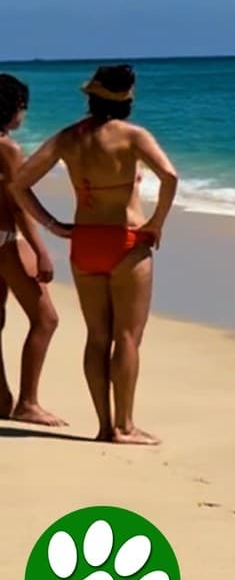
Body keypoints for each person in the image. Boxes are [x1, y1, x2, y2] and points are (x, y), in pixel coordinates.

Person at [8, 65, 178, 444]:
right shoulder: (134, 136)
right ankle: (126, 426)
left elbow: (20, 183)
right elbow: (170, 177)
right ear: (128, 98)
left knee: (98, 336)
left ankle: (104, 427)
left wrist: (54, 225)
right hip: (126, 240)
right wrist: (156, 223)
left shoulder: (69, 137)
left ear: (91, 96)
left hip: (84, 242)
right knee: (128, 337)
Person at [0, 74, 66, 427]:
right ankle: (28, 402)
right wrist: (42, 247)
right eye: (22, 107)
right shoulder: (7, 148)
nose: (23, 115)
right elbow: (17, 203)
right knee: (46, 319)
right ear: (11, 108)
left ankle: (0, 397)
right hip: (4, 241)